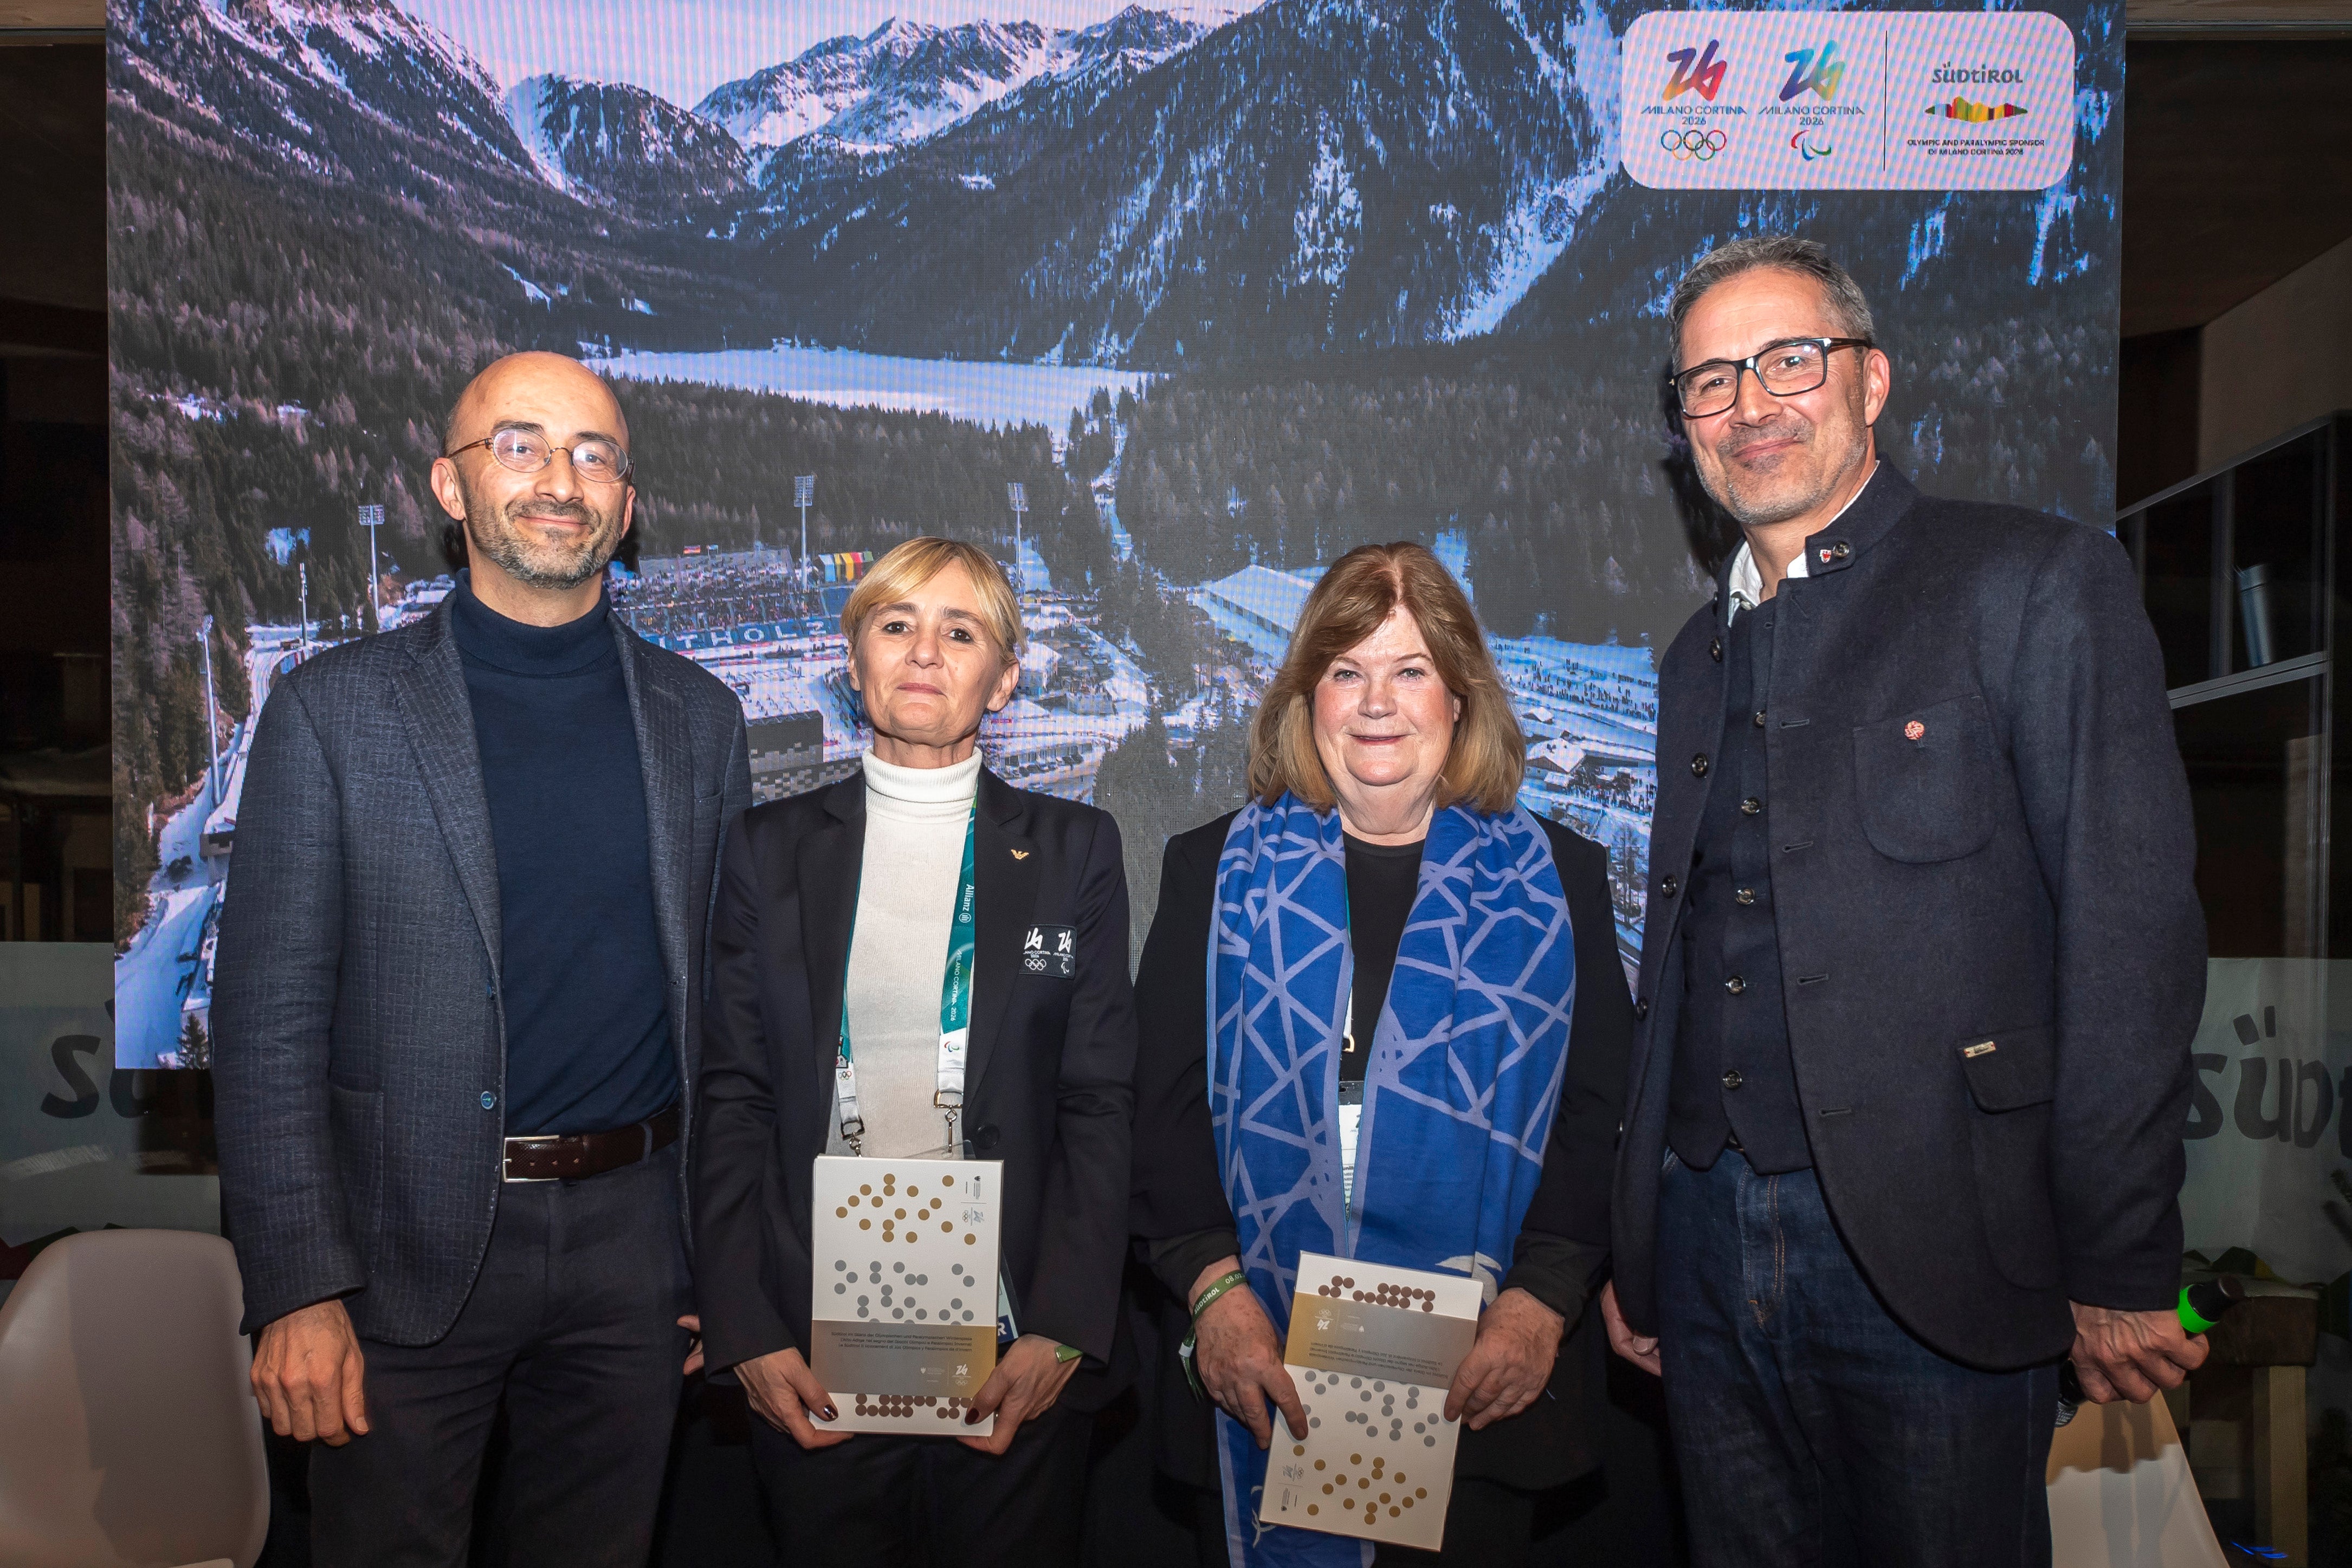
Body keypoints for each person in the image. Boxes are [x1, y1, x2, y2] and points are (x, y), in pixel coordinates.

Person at [1599, 236, 2209, 1565]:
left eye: (1786, 362)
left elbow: (2131, 936)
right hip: (1705, 1238)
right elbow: (1690, 961)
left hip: (1934, 1244)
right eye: (1709, 382)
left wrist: (2118, 1258)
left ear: (1870, 382)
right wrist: (1643, 1246)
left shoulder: (2031, 584)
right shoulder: (1694, 655)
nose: (1749, 405)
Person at [211, 351, 753, 1566]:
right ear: (451, 490)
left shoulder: (700, 719)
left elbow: (725, 1018)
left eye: (594, 453)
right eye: (520, 445)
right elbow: (266, 1027)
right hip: (398, 1247)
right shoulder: (331, 711)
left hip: (634, 1251)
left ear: (627, 505)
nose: (560, 478)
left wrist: (727, 1257)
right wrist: (296, 1287)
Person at [1130, 542, 1636, 1566]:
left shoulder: (1560, 882)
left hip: (1477, 1380)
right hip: (1259, 1365)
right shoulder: (1213, 871)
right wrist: (1215, 1294)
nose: (1377, 703)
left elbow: (1599, 1111)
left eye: (1410, 671)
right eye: (1347, 670)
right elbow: (1162, 1108)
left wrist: (1542, 1302)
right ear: (1306, 692)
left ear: (1459, 696)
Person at [693, 537, 1136, 1568]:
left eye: (961, 630)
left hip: (1008, 1330)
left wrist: (1064, 1328)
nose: (925, 653)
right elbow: (734, 1095)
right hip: (814, 1331)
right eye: (896, 625)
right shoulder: (767, 850)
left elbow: (1098, 1101)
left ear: (1007, 675)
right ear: (854, 661)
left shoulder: (1075, 852)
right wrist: (745, 1324)